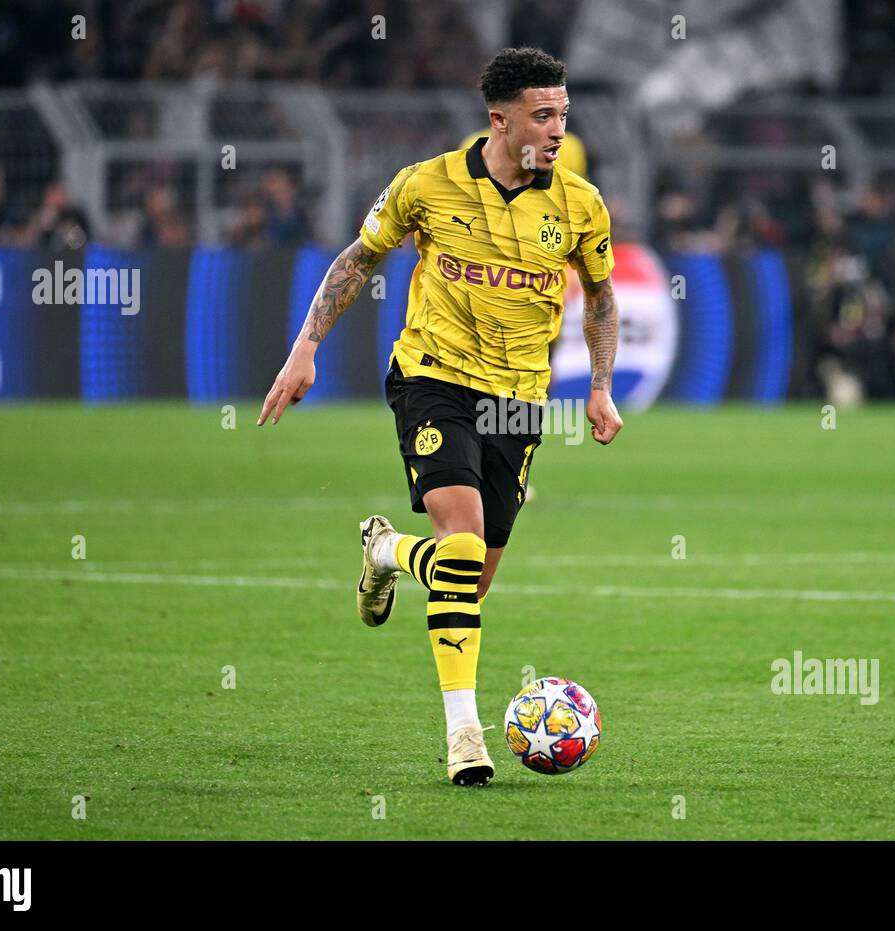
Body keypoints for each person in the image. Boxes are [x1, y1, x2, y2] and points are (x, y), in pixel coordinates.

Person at [255, 48, 623, 786]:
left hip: (519, 400)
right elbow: (358, 259)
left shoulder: (579, 204)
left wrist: (601, 386)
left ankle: (387, 551)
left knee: (470, 580)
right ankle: (465, 735)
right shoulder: (426, 185)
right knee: (460, 546)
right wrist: (305, 349)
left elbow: (603, 296)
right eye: (542, 115)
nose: (556, 130)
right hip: (432, 378)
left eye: (563, 115)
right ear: (500, 119)